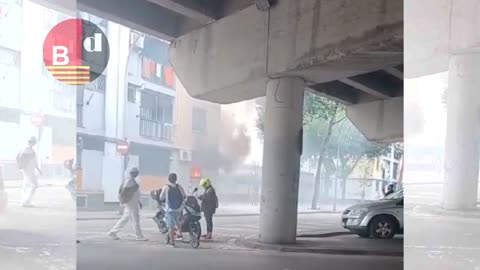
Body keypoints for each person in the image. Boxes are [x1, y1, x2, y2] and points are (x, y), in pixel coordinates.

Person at [107, 167, 148, 241]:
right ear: (133, 173)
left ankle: (112, 232)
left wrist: (139, 201)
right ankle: (139, 236)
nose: (137, 174)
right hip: (131, 203)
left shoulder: (132, 181)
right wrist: (125, 200)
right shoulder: (129, 181)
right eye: (136, 173)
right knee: (136, 219)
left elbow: (135, 192)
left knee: (125, 218)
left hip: (133, 202)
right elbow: (124, 191)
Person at [159, 173, 186, 247]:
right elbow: (184, 196)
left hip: (170, 209)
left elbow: (161, 198)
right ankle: (180, 235)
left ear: (169, 179)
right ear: (176, 179)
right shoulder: (179, 187)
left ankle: (172, 242)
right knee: (178, 222)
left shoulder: (166, 187)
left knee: (171, 226)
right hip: (179, 209)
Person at [16, 137, 42, 207]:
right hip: (28, 170)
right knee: (34, 185)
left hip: (30, 170)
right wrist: (22, 166)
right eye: (33, 142)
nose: (34, 143)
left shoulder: (30, 150)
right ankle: (26, 201)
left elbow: (34, 161)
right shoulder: (26, 149)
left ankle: (24, 201)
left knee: (26, 185)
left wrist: (38, 169)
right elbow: (20, 158)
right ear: (31, 142)